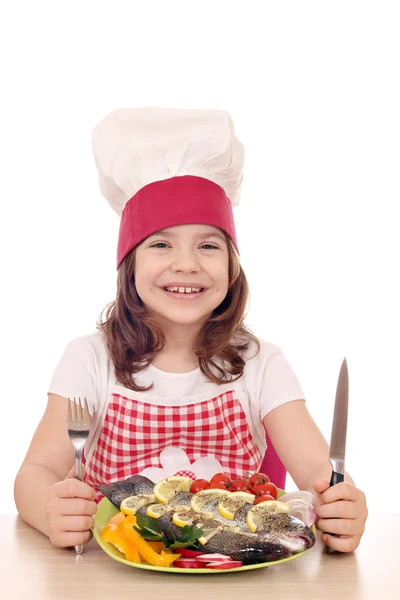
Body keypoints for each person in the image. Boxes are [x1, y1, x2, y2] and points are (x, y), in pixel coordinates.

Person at [14, 108, 367, 553]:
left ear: (232, 265)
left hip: (236, 574)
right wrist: (50, 508)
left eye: (208, 245)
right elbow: (35, 474)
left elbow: (321, 472)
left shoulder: (261, 363)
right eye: (161, 243)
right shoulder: (89, 359)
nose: (187, 263)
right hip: (118, 577)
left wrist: (342, 506)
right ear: (130, 264)